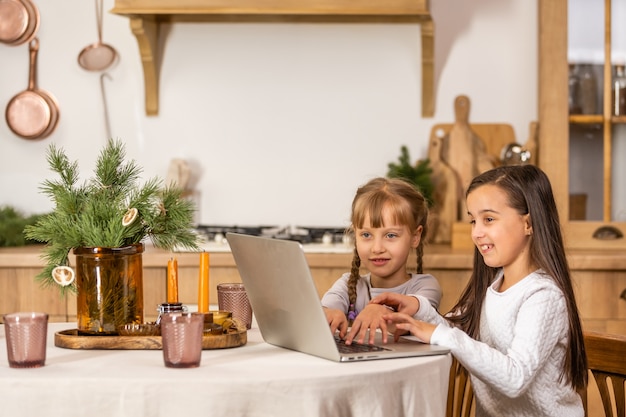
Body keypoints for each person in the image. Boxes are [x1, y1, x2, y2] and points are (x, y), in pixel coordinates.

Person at [366, 165, 587, 417]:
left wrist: (438, 333)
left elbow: (514, 378)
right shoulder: (493, 283)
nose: (477, 232)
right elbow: (458, 334)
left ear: (528, 223)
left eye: (489, 219)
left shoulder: (543, 296)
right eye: (473, 220)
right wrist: (418, 310)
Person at [321, 177, 442, 340]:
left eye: (391, 235)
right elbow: (321, 312)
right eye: (366, 235)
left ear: (415, 236)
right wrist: (329, 314)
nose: (377, 248)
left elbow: (409, 323)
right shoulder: (347, 285)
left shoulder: (426, 286)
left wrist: (381, 313)